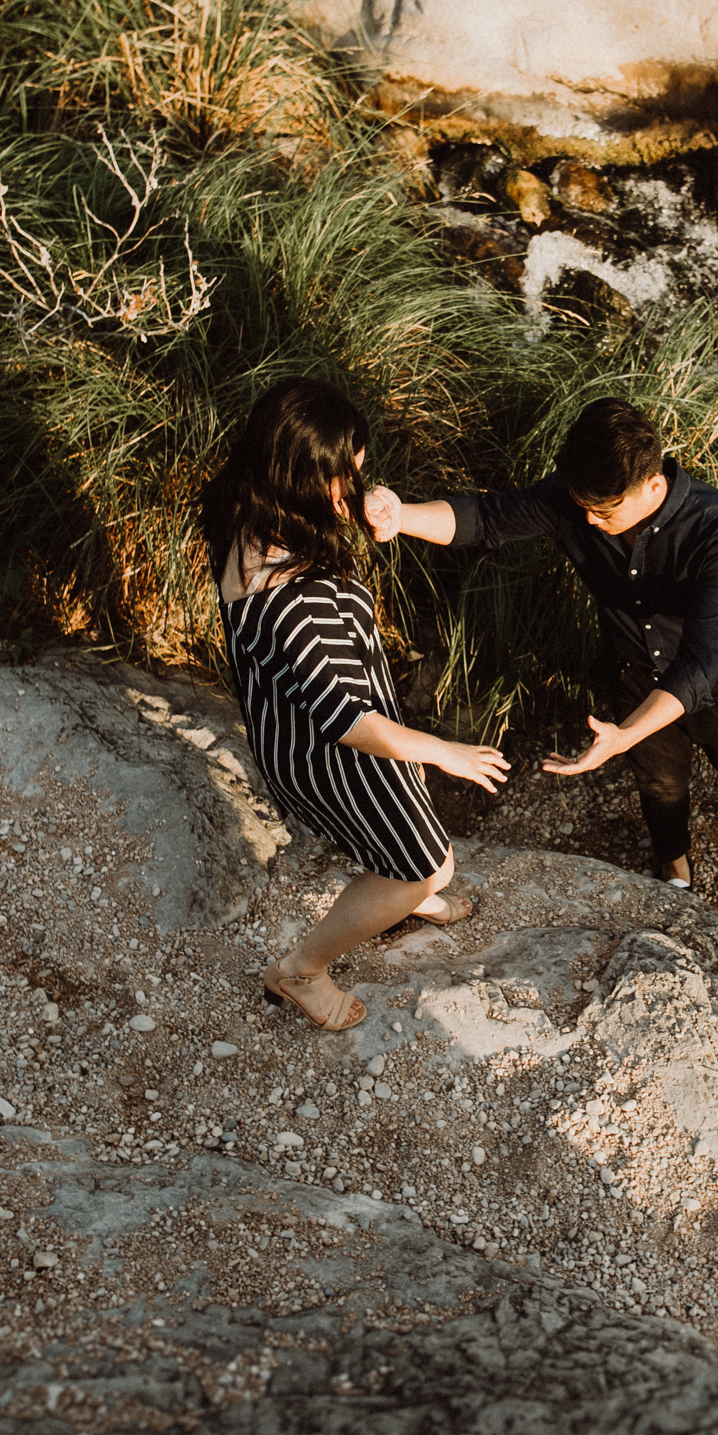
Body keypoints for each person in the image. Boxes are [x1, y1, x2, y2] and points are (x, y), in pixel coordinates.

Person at [365, 397, 718, 893]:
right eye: (583, 507)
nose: (588, 521)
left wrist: (623, 736)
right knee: (660, 784)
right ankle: (674, 865)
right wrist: (400, 517)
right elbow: (486, 520)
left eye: (604, 511)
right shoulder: (579, 501)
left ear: (653, 485)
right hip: (632, 671)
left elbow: (699, 663)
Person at [200, 377, 508, 1032]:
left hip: (302, 722)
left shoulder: (250, 512)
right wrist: (443, 750)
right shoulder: (293, 600)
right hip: (327, 749)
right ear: (301, 475)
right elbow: (346, 722)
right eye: (346, 479)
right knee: (430, 865)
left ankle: (394, 893)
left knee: (425, 861)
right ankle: (301, 969)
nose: (358, 492)